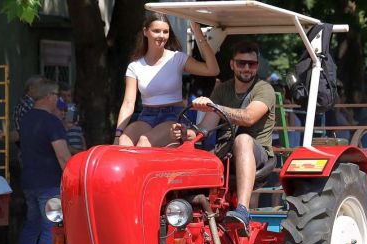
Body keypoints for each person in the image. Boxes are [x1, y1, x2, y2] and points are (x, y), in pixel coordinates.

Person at [171, 41, 275, 232]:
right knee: (177, 151)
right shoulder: (222, 89)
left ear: (257, 66)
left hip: (256, 153)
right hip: (223, 152)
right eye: (241, 63)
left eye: (251, 64)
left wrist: (215, 107)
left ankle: (242, 210)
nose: (246, 68)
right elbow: (205, 128)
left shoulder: (264, 89)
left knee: (242, 139)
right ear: (232, 64)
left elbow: (249, 118)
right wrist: (187, 134)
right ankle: (178, 214)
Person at [115, 13, 219, 147]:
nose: (162, 36)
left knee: (144, 142)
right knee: (123, 142)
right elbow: (128, 103)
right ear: (145, 31)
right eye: (156, 31)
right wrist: (118, 134)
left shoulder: (177, 58)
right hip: (147, 116)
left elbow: (212, 70)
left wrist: (197, 33)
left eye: (165, 32)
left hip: (173, 116)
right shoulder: (134, 66)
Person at [17, 79, 75, 244]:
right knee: (50, 228)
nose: (58, 100)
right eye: (57, 95)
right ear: (49, 96)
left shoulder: (25, 120)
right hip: (50, 184)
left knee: (32, 226)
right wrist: (74, 180)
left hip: (29, 182)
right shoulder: (51, 121)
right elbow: (63, 156)